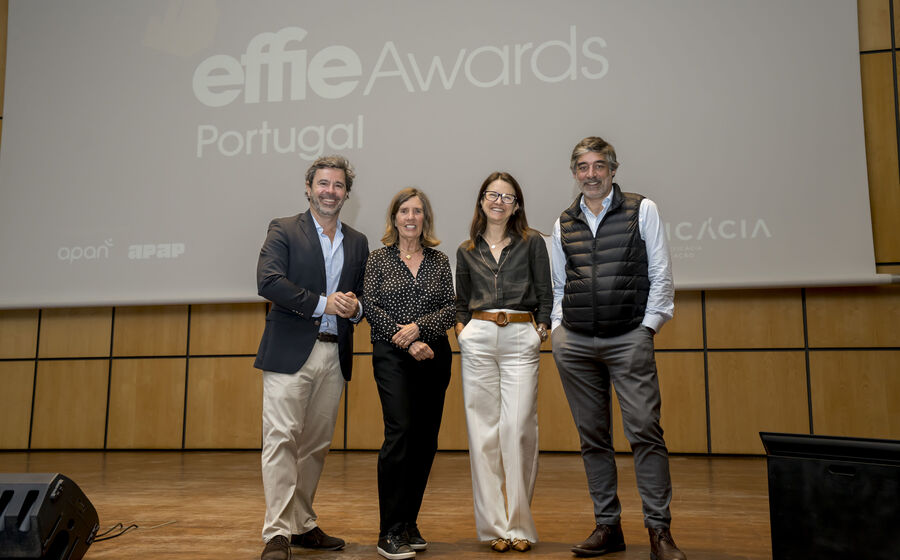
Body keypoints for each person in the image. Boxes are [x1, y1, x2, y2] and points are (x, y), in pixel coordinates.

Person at [550, 137, 686, 560]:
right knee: (593, 439)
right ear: (574, 172)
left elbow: (661, 273)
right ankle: (608, 527)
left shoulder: (641, 209)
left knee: (645, 431)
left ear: (613, 169)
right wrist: (558, 330)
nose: (591, 174)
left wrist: (647, 327)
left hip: (628, 338)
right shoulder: (562, 223)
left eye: (599, 166)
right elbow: (558, 285)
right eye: (583, 167)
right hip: (576, 343)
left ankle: (659, 532)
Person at [254, 155, 369, 560]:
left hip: (334, 355)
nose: (330, 191)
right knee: (281, 440)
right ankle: (277, 532)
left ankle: (302, 524)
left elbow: (359, 299)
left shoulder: (357, 241)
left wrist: (354, 309)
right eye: (323, 183)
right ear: (309, 188)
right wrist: (324, 303)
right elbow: (268, 282)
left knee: (316, 445)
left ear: (347, 194)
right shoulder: (284, 229)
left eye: (338, 186)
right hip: (290, 352)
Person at [454, 172, 551, 553]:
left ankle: (520, 527)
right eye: (492, 195)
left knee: (517, 429)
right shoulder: (465, 250)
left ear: (516, 205)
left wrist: (539, 330)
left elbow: (545, 292)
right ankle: (494, 527)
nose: (499, 202)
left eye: (507, 197)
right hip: (477, 338)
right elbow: (461, 300)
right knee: (483, 434)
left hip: (520, 336)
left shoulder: (532, 244)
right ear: (481, 201)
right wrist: (462, 331)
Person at [364, 188, 456, 560]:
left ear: (425, 219)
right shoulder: (378, 259)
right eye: (404, 210)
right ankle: (388, 530)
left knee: (425, 440)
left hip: (435, 353)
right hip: (392, 355)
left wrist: (419, 329)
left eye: (418, 211)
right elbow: (370, 304)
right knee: (400, 433)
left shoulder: (439, 260)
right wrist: (406, 338)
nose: (411, 217)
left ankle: (409, 523)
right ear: (394, 218)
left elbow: (451, 308)